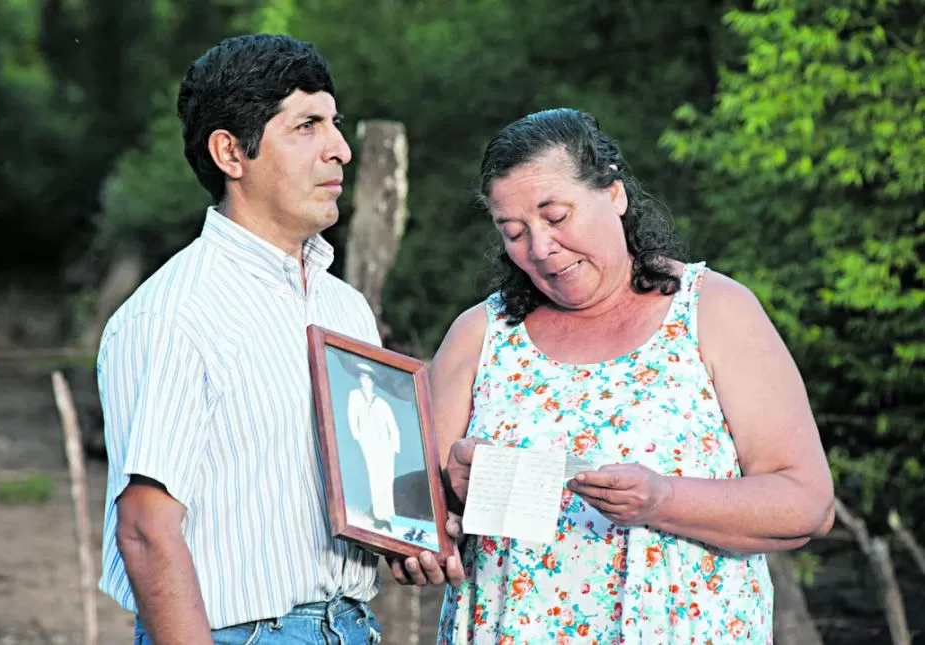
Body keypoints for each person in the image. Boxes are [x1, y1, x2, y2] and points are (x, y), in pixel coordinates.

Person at [406, 108, 836, 643]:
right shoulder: (481, 333)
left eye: (556, 217)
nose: (539, 248)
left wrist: (662, 500)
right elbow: (412, 519)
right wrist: (450, 501)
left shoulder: (713, 310)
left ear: (614, 194)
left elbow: (807, 504)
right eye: (513, 232)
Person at [96, 34, 386, 645]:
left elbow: (369, 490)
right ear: (231, 152)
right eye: (306, 125)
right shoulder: (175, 312)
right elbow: (147, 528)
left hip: (354, 626)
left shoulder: (345, 307)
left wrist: (414, 533)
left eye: (336, 123)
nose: (340, 150)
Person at [347, 363, 401, 531]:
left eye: (368, 378)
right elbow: (351, 416)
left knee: (387, 479)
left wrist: (395, 446)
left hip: (385, 446)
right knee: (374, 477)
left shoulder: (382, 403)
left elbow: (391, 424)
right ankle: (378, 515)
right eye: (362, 377)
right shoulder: (355, 396)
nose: (366, 381)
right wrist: (357, 437)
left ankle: (388, 516)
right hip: (368, 444)